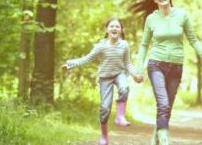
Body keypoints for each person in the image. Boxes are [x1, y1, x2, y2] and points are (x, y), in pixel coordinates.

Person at [131, 0, 202, 145]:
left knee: (167, 106)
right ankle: (164, 140)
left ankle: (157, 135)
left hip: (176, 66)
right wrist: (138, 69)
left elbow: (193, 40)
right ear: (155, 0)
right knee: (163, 104)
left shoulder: (182, 15)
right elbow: (143, 45)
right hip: (156, 64)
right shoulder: (151, 19)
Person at [61, 17, 142, 145]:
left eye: (117, 26)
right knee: (105, 108)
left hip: (119, 74)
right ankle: (104, 136)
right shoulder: (100, 46)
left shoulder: (124, 45)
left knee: (124, 88)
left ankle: (120, 116)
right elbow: (87, 59)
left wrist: (135, 74)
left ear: (121, 30)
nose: (114, 28)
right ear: (107, 29)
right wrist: (70, 63)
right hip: (105, 78)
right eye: (112, 26)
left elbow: (127, 63)